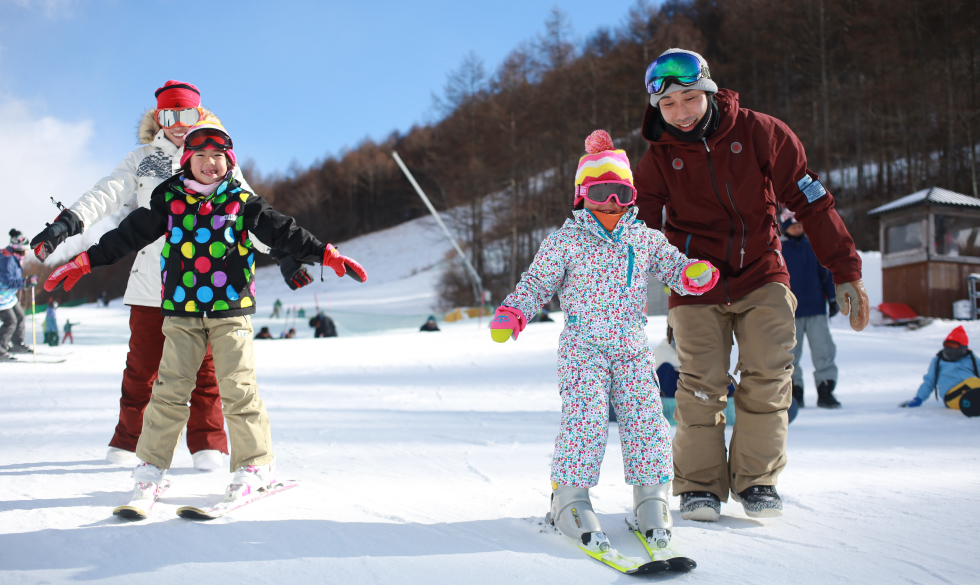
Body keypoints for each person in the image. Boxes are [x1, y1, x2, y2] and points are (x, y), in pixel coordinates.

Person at [44, 121, 368, 507]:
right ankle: (150, 471)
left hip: (230, 311)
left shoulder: (242, 202)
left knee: (238, 388)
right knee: (168, 391)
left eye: (218, 156)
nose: (209, 163)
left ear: (229, 162)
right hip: (180, 312)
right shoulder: (169, 200)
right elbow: (128, 235)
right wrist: (86, 260)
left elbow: (284, 232)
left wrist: (324, 253)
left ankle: (254, 468)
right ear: (187, 161)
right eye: (200, 156)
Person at [634, 48, 870, 521]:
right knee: (700, 385)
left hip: (762, 271)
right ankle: (699, 486)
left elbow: (811, 202)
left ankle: (756, 481)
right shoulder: (658, 158)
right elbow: (638, 230)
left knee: (769, 375)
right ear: (656, 108)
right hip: (695, 282)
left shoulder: (761, 132)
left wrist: (845, 271)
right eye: (668, 105)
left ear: (707, 90)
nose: (680, 113)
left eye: (688, 98)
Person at [29, 81, 309, 470]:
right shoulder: (144, 158)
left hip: (207, 282)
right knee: (142, 368)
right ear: (158, 118)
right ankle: (128, 443)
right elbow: (106, 193)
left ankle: (208, 444)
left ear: (200, 114)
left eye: (187, 114)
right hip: (151, 282)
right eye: (170, 116)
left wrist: (281, 252)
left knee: (206, 372)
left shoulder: (217, 154)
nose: (179, 124)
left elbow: (250, 212)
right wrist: (67, 224)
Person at [491, 130, 718, 555]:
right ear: (582, 194)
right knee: (587, 420)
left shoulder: (643, 236)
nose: (611, 203)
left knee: (648, 420)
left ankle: (651, 498)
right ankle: (569, 498)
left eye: (620, 191)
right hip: (583, 348)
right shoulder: (566, 240)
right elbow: (537, 281)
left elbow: (673, 264)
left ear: (631, 194)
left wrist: (691, 274)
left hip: (631, 347)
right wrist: (514, 310)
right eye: (601, 191)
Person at [780, 208, 842, 409]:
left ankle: (825, 389)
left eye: (800, 226)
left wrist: (832, 299)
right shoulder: (780, 251)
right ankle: (795, 391)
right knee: (790, 353)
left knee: (823, 349)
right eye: (794, 226)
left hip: (816, 307)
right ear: (785, 228)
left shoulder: (814, 247)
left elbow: (826, 274)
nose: (798, 229)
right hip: (790, 312)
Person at [901, 326, 980, 412]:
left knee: (974, 383)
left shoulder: (971, 359)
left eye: (954, 345)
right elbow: (929, 381)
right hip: (951, 397)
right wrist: (918, 398)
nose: (950, 348)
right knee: (973, 381)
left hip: (971, 392)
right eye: (947, 345)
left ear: (963, 346)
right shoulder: (938, 361)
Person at [0, 230, 34, 360]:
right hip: (2, 297)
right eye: (26, 249)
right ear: (20, 249)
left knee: (20, 316)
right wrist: (25, 282)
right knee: (10, 321)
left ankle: (17, 344)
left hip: (8, 297)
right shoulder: (7, 259)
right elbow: (6, 281)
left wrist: (25, 282)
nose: (26, 252)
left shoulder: (14, 257)